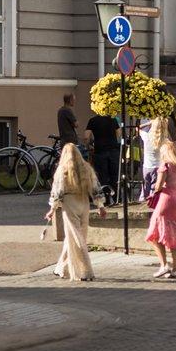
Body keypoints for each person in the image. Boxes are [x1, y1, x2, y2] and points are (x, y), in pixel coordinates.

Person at [44, 142, 97, 281]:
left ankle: (85, 271)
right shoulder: (86, 168)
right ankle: (61, 267)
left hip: (69, 204)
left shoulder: (62, 170)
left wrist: (52, 209)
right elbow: (95, 188)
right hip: (84, 203)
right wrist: (101, 205)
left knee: (75, 238)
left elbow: (57, 191)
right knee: (76, 237)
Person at [146, 138, 176, 278]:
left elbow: (159, 186)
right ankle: (175, 269)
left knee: (155, 233)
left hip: (168, 199)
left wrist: (153, 189)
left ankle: (164, 265)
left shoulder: (165, 165)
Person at [85, 107, 121, 205]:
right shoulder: (113, 119)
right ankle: (117, 198)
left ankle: (106, 200)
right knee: (114, 176)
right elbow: (118, 134)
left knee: (102, 176)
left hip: (100, 151)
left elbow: (86, 136)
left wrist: (88, 146)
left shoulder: (92, 121)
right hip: (113, 151)